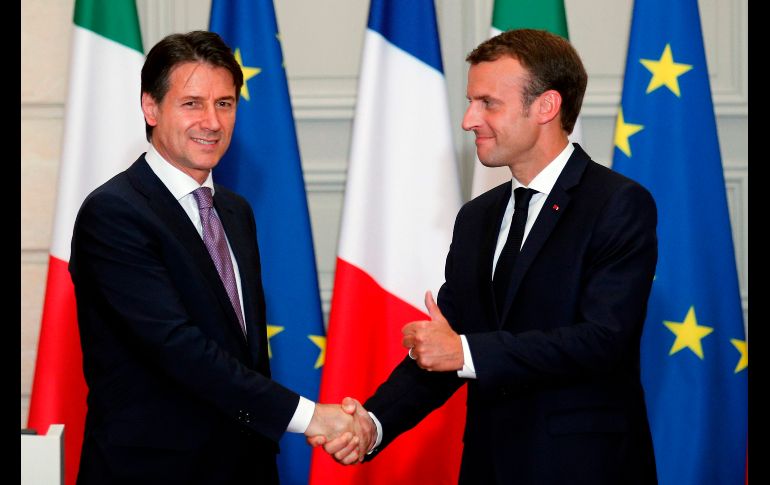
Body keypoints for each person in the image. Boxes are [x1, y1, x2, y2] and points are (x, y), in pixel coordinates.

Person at [316, 29, 659, 483]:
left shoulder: (617, 203)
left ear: (546, 107)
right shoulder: (477, 217)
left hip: (583, 468)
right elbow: (446, 346)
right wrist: (373, 423)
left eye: (487, 103)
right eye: (470, 101)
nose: (468, 119)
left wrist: (463, 350)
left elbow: (602, 340)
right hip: (488, 467)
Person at [70, 31, 362, 484]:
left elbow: (242, 353)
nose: (212, 121)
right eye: (192, 103)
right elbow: (178, 347)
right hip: (153, 471)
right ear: (150, 107)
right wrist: (311, 418)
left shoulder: (234, 210)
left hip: (243, 466)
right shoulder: (114, 213)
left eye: (224, 103)